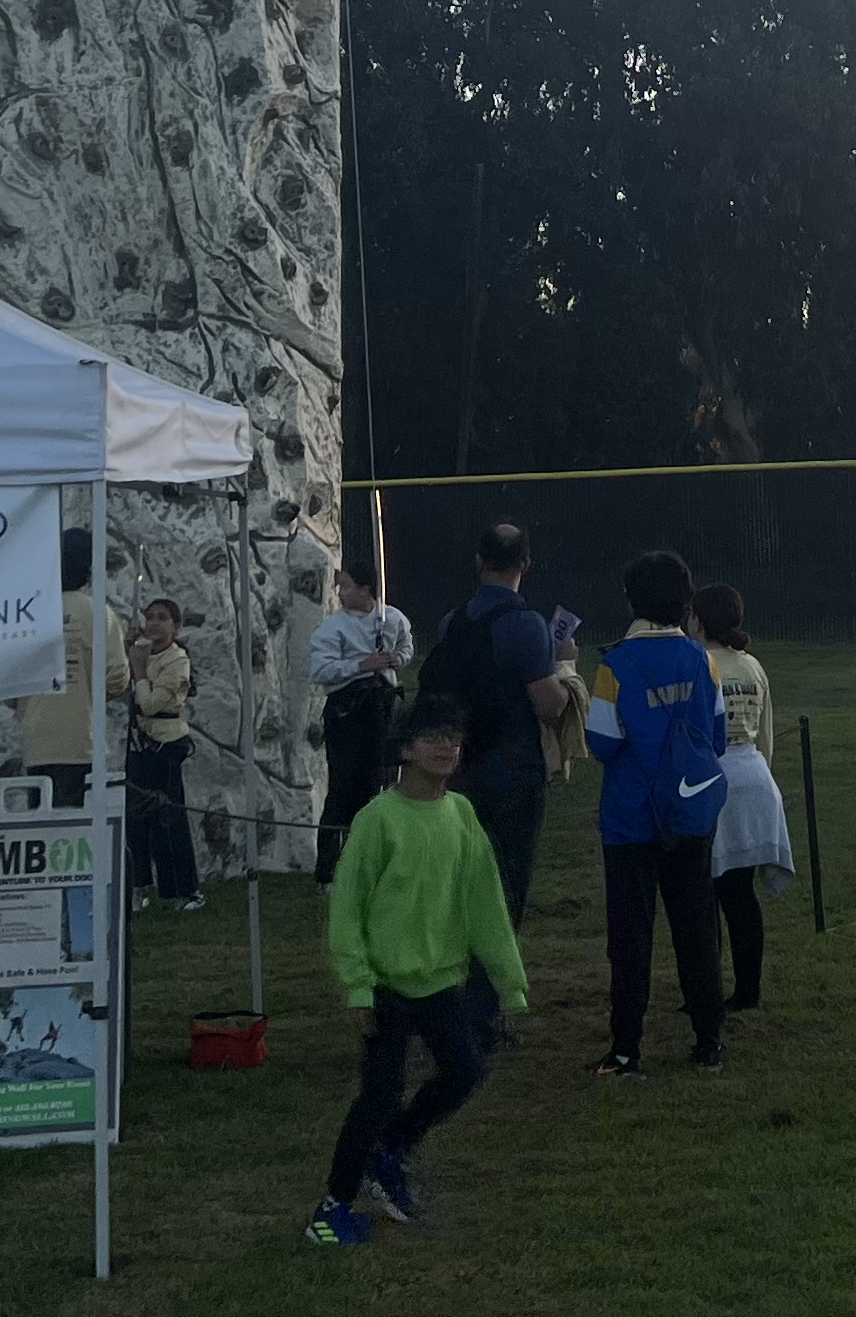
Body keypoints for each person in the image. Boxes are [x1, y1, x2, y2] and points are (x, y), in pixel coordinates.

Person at [302, 697, 531, 1248]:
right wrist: (357, 986)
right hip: (384, 987)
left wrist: (510, 982)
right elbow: (348, 907)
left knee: (464, 1072)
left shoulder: (461, 814)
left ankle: (391, 1151)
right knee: (378, 1095)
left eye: (452, 737)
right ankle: (330, 1209)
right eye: (431, 737)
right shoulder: (378, 819)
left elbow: (486, 905)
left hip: (441, 983)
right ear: (406, 750)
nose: (445, 746)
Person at [585, 549, 731, 1079]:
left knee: (629, 937)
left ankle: (627, 1051)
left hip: (630, 821)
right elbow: (716, 736)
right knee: (697, 929)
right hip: (689, 815)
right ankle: (709, 1042)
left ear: (631, 601)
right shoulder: (702, 659)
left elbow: (601, 743)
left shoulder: (615, 664)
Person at [418, 520, 574, 926]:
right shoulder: (527, 625)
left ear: (478, 560)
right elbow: (549, 706)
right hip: (513, 770)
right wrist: (566, 668)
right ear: (526, 562)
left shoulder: (453, 622)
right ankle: (495, 980)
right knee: (507, 883)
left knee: (463, 884)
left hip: (460, 765)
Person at [695, 583, 788, 1014]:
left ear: (699, 620)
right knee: (741, 894)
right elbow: (765, 733)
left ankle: (705, 988)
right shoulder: (753, 666)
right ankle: (748, 990)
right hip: (753, 777)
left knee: (705, 893)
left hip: (715, 778)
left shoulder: (700, 662)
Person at [10, 522, 130, 812]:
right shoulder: (100, 614)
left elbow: (10, 688)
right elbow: (117, 680)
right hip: (83, 743)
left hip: (37, 745)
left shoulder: (27, 612)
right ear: (90, 568)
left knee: (44, 833)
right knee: (80, 837)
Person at [309, 558, 413, 883]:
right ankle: (327, 871)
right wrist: (360, 665)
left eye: (346, 585)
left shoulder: (392, 619)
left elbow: (407, 647)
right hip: (346, 713)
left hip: (380, 710)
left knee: (376, 786)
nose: (340, 593)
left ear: (365, 588)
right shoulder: (333, 628)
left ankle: (368, 863)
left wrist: (397, 659)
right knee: (342, 788)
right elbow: (319, 670)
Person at [126, 598, 203, 910]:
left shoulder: (177, 660)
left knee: (169, 819)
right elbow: (117, 687)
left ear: (175, 625)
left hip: (165, 745)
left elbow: (151, 704)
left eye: (162, 618)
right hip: (138, 744)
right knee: (135, 820)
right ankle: (138, 886)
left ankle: (185, 890)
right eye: (150, 617)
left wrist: (140, 669)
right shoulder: (140, 654)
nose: (154, 623)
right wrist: (125, 653)